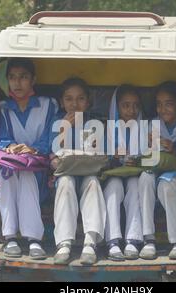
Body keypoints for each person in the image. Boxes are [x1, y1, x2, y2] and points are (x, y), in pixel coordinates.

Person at [0, 58, 58, 259]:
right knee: (6, 172)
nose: (17, 83)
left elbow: (51, 137)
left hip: (38, 169)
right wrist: (11, 147)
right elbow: (0, 139)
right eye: (12, 77)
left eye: (23, 77)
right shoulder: (2, 107)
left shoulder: (48, 105)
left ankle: (33, 239)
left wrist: (32, 150)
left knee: (28, 175)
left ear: (33, 80)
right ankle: (10, 236)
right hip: (12, 165)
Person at [51, 78, 106, 265]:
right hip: (65, 174)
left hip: (88, 172)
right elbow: (52, 153)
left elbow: (95, 154)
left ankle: (90, 243)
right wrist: (64, 130)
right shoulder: (57, 122)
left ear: (88, 101)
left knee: (92, 182)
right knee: (66, 182)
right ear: (61, 102)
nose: (74, 104)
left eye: (80, 98)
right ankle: (64, 243)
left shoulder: (93, 123)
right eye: (69, 99)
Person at [138, 81, 176, 261]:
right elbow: (144, 158)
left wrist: (174, 150)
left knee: (166, 186)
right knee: (145, 179)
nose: (163, 109)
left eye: (168, 104)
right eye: (159, 104)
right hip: (155, 172)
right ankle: (148, 239)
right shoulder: (152, 125)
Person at [103, 85, 154, 262]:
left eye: (135, 105)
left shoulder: (146, 129)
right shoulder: (105, 130)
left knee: (134, 186)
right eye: (125, 105)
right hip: (112, 177)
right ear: (117, 107)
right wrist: (113, 157)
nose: (131, 111)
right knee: (114, 188)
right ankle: (113, 241)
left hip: (134, 177)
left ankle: (133, 240)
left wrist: (138, 160)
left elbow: (153, 157)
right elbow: (98, 159)